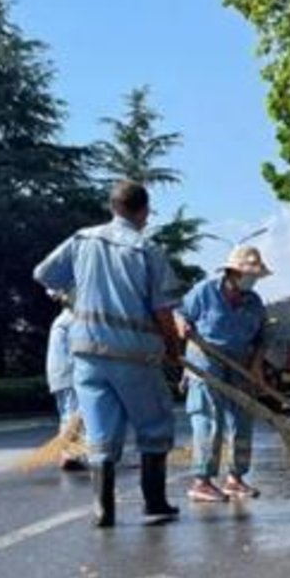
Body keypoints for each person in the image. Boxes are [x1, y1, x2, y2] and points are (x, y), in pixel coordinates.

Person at [33, 179, 185, 527]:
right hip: (133, 356)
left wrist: (66, 293)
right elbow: (164, 312)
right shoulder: (146, 250)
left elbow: (42, 274)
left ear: (113, 207)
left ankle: (103, 510)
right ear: (144, 211)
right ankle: (155, 502)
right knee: (155, 424)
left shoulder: (82, 240)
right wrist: (174, 350)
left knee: (100, 431)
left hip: (86, 353)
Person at [178, 246, 271, 503]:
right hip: (205, 360)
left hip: (240, 363)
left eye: (255, 276)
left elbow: (262, 338)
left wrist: (256, 367)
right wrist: (182, 325)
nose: (251, 280)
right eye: (247, 274)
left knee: (242, 422)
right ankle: (202, 481)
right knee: (210, 420)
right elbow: (179, 313)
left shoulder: (254, 301)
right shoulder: (204, 292)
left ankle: (235, 478)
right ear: (232, 272)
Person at [45, 301, 86, 472]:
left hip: (58, 375)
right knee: (74, 414)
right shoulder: (74, 320)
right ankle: (68, 454)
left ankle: (70, 453)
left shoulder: (61, 320)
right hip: (71, 373)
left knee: (67, 414)